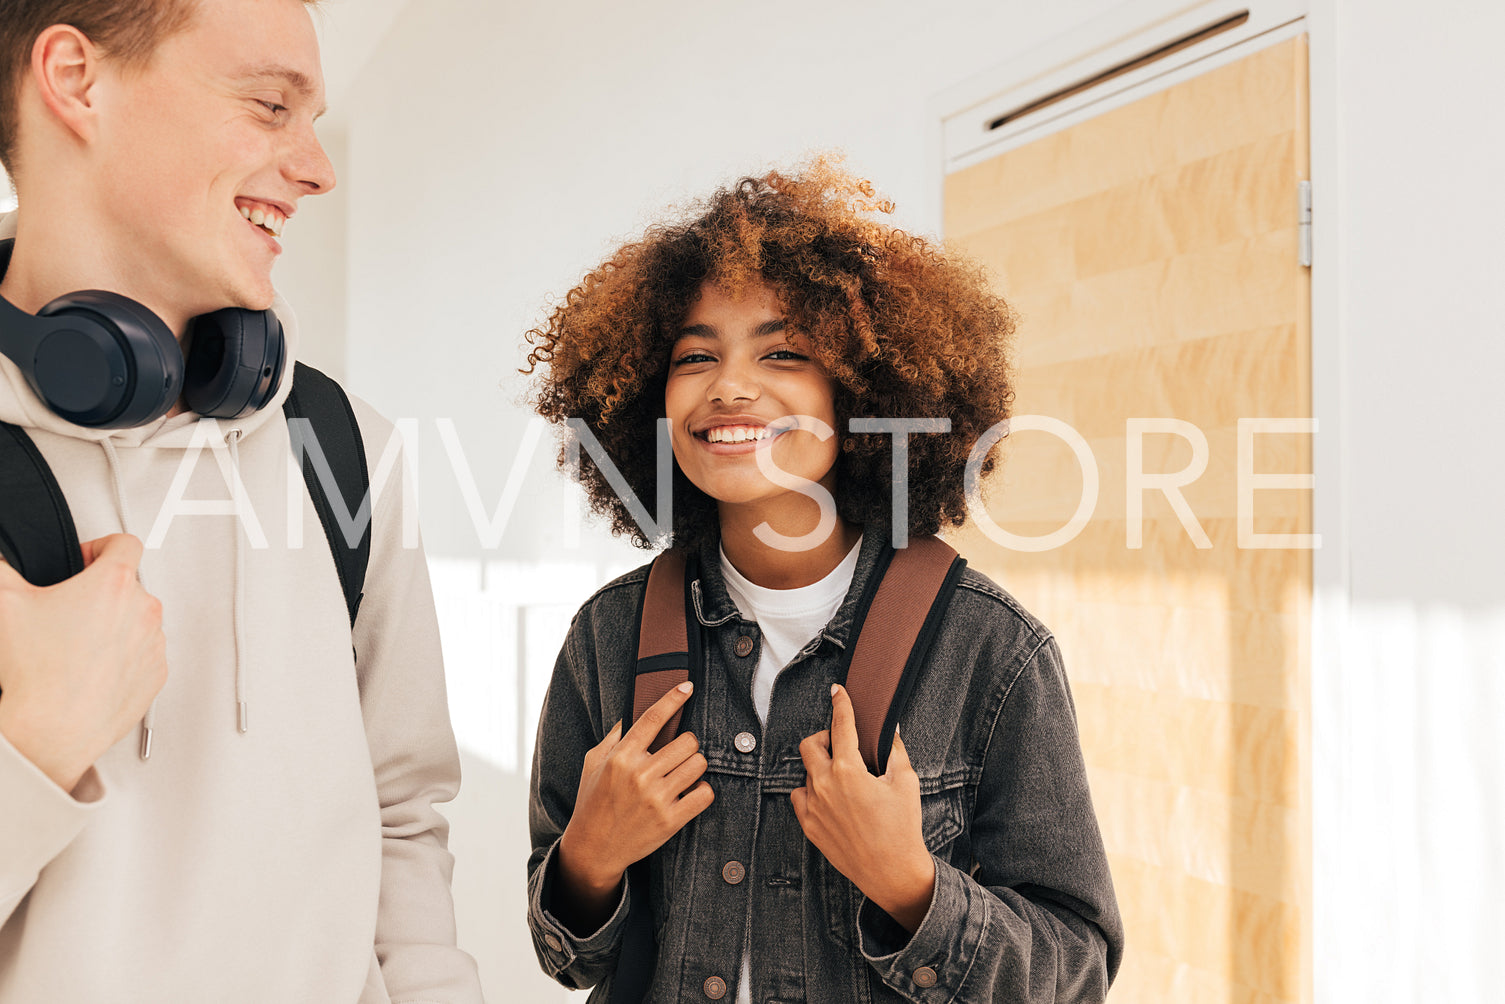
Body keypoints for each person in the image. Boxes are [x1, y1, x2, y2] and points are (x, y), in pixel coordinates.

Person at [522, 158, 1124, 1003]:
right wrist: (586, 859)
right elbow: (569, 958)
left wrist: (910, 886)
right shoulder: (607, 636)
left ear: (861, 392)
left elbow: (1077, 969)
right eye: (696, 355)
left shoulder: (991, 648)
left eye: (784, 353)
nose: (730, 387)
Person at [0, 2, 482, 1001]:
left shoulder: (344, 443)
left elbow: (402, 816)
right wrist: (32, 746)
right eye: (270, 105)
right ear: (74, 81)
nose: (316, 169)